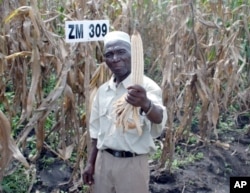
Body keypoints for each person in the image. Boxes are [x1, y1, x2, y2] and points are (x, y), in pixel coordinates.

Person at [82, 31, 167, 193]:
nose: (115, 58)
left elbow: (159, 120)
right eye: (109, 54)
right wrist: (91, 163)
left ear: (133, 54)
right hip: (103, 162)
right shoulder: (103, 91)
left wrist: (145, 103)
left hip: (132, 165)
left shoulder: (147, 87)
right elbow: (95, 131)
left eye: (121, 52)